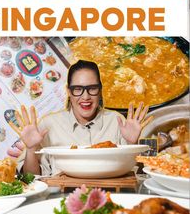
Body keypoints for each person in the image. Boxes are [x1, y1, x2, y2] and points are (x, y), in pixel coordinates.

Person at [8, 60, 152, 176]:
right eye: (78, 89)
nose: (85, 97)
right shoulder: (48, 124)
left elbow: (137, 174)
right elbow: (30, 178)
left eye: (92, 88)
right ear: (69, 92)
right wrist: (31, 148)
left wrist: (133, 144)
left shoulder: (117, 120)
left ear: (100, 92)